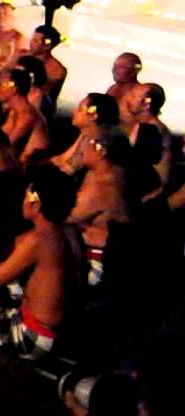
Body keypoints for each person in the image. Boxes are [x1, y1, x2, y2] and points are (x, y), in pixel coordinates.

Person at [0, 165, 79, 360]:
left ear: (36, 205)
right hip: (57, 328)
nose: (22, 202)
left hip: (33, 336)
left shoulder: (39, 239)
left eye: (25, 196)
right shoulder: (69, 232)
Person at [67, 133, 132, 288]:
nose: (82, 149)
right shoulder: (113, 172)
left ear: (100, 151)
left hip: (96, 264)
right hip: (99, 249)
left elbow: (57, 215)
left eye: (87, 144)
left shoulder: (103, 185)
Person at [52, 94, 121, 176]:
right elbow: (62, 159)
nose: (74, 111)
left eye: (80, 109)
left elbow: (71, 170)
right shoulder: (84, 135)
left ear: (93, 116)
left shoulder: (97, 146)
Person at [0, 67, 50, 163]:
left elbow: (7, 143)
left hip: (30, 167)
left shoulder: (27, 115)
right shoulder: (14, 110)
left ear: (14, 89)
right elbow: (1, 135)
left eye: (1, 85)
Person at [126, 82, 171, 190]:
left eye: (133, 96)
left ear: (146, 103)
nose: (128, 99)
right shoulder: (150, 127)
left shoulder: (150, 130)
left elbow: (135, 166)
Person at [21, 25, 67, 103]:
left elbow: (42, 95)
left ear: (47, 46)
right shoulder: (21, 55)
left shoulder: (56, 69)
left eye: (35, 41)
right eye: (32, 39)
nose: (31, 43)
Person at [107, 53, 143, 124]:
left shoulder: (138, 94)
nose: (114, 70)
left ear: (134, 71)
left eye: (121, 67)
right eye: (115, 66)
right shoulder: (113, 89)